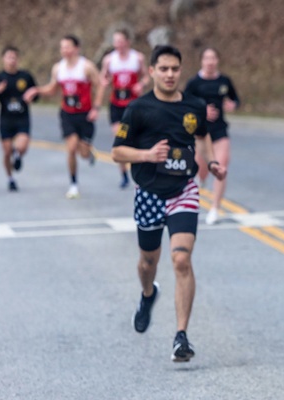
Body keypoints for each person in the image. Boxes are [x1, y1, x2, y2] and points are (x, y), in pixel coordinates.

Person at [111, 44, 226, 363]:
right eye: (163, 69)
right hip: (148, 191)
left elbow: (202, 137)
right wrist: (146, 155)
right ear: (151, 72)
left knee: (181, 260)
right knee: (148, 261)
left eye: (175, 69)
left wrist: (212, 162)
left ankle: (181, 336)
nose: (170, 74)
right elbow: (117, 151)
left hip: (184, 190)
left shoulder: (193, 106)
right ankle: (148, 294)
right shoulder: (138, 109)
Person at [34, 35, 100, 199]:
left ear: (76, 48)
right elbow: (52, 88)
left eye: (68, 47)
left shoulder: (87, 66)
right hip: (67, 114)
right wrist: (36, 90)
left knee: (83, 152)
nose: (65, 50)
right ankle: (73, 184)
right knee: (71, 148)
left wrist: (96, 108)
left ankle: (88, 154)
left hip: (85, 114)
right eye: (62, 47)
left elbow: (100, 86)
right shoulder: (58, 68)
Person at [183, 48, 240, 225]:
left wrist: (232, 105)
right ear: (201, 61)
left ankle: (215, 208)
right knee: (201, 169)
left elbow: (235, 99)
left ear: (217, 60)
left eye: (213, 58)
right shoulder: (194, 83)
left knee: (221, 167)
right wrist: (202, 111)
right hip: (200, 132)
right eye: (206, 58)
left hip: (220, 131)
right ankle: (201, 179)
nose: (210, 61)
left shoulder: (224, 81)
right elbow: (184, 105)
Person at [96, 28, 147, 189]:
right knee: (121, 139)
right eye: (115, 41)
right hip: (116, 104)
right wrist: (104, 82)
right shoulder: (109, 60)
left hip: (134, 104)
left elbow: (146, 75)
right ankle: (124, 174)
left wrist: (141, 84)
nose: (117, 44)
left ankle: (138, 173)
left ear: (127, 42)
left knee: (136, 140)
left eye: (120, 41)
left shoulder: (137, 58)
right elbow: (102, 77)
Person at [0, 46, 38, 192]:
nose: (11, 60)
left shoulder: (25, 77)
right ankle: (10, 178)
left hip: (22, 118)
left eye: (14, 57)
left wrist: (31, 97)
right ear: (3, 59)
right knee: (7, 151)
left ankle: (18, 154)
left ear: (18, 59)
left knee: (22, 146)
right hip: (5, 119)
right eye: (8, 57)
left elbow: (36, 94)